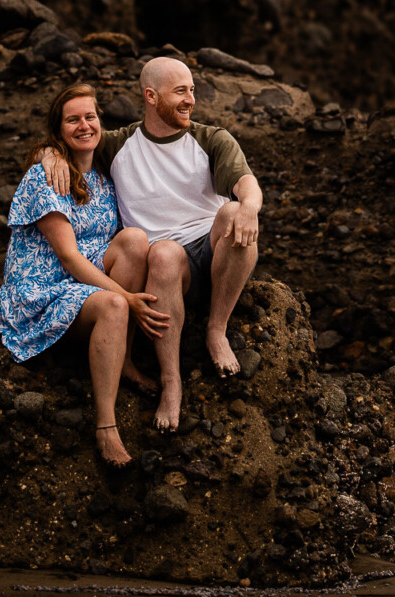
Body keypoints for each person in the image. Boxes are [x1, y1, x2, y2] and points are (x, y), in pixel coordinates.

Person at [41, 57, 262, 433]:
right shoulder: (119, 145)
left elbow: (247, 183)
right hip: (167, 274)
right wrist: (48, 153)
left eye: (192, 90)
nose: (190, 99)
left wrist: (250, 208)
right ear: (150, 96)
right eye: (180, 92)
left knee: (232, 211)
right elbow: (77, 138)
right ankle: (171, 383)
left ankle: (216, 329)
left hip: (216, 257)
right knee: (161, 252)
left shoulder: (211, 138)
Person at [0, 84, 169, 468]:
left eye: (90, 116)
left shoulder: (104, 179)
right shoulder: (47, 177)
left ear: (101, 122)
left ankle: (120, 357)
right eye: (72, 119)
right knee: (113, 304)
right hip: (42, 290)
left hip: (81, 284)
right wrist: (127, 297)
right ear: (59, 130)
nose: (84, 125)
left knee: (135, 240)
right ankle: (106, 426)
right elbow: (71, 259)